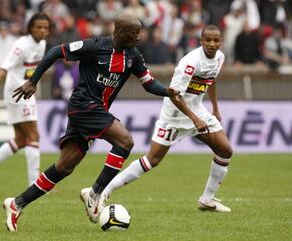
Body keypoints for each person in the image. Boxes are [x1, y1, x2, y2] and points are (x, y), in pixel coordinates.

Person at [3, 13, 178, 231]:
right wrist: (33, 80)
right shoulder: (95, 46)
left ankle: (16, 204)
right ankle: (95, 194)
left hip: (95, 111)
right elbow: (55, 51)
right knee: (125, 141)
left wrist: (167, 91)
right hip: (83, 106)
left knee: (64, 167)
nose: (139, 37)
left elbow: (149, 83)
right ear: (120, 32)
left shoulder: (133, 55)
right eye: (135, 33)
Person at [98, 24, 233, 215]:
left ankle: (207, 199)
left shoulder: (219, 58)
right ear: (201, 41)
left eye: (216, 40)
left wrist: (215, 108)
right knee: (152, 160)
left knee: (225, 150)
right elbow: (174, 95)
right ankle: (104, 191)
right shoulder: (190, 62)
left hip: (197, 110)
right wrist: (194, 119)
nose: (212, 44)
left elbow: (211, 79)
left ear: (221, 41)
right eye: (208, 40)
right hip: (175, 115)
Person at [0, 13, 51, 193]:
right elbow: (3, 69)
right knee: (34, 136)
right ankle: (34, 185)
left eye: (46, 27)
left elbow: (31, 70)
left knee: (21, 139)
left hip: (25, 90)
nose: (43, 31)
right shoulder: (21, 45)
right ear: (30, 28)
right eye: (39, 27)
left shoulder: (42, 44)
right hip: (18, 92)